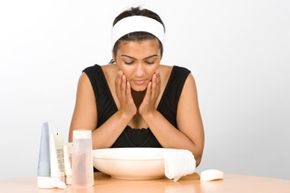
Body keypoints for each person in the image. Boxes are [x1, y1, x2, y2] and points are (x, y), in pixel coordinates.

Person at [69, 7, 204, 166]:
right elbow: (75, 154)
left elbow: (195, 156)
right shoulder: (92, 80)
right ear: (114, 56)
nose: (140, 73)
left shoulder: (182, 79)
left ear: (161, 55)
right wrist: (124, 115)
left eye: (150, 61)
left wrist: (150, 114)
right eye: (128, 62)